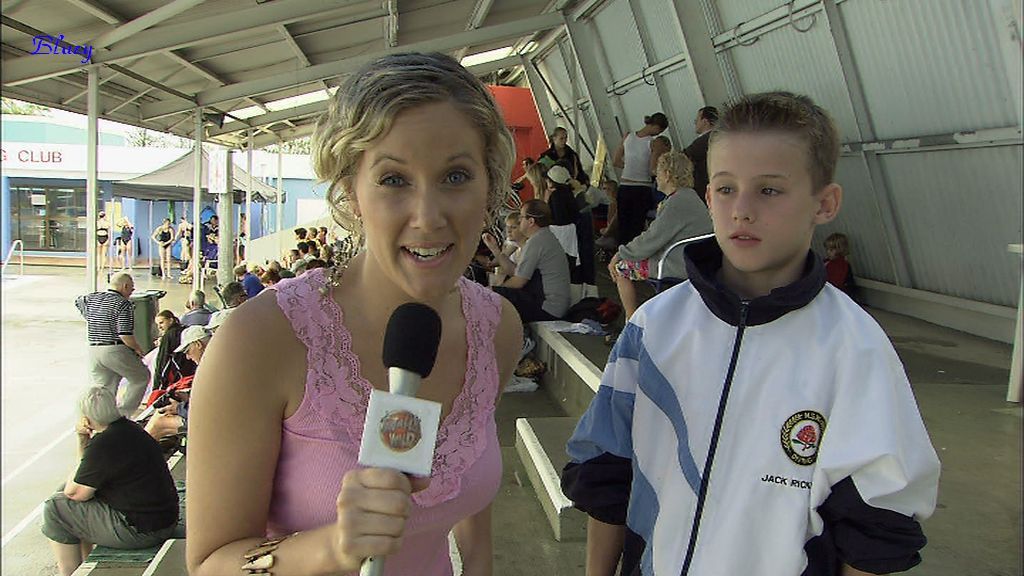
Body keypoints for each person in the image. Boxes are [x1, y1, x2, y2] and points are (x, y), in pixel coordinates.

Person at [561, 92, 941, 576]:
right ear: (708, 198)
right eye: (726, 188)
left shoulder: (856, 350)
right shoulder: (653, 328)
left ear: (825, 203)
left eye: (769, 191)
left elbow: (876, 524)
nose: (741, 210)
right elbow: (606, 476)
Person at [185, 52, 523, 576]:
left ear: (490, 186)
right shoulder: (262, 338)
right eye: (393, 180)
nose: (428, 217)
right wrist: (333, 548)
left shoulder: (497, 329)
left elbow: (472, 503)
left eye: (456, 176)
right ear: (351, 192)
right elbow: (210, 564)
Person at [42, 386, 178, 576]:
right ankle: (82, 566)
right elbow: (80, 482)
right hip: (162, 520)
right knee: (64, 492)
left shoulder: (104, 444)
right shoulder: (131, 429)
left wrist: (82, 439)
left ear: (85, 418)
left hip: (141, 531)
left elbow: (75, 493)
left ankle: (69, 572)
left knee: (55, 507)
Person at [609, 151, 712, 319]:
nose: (655, 176)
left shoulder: (676, 202)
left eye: (658, 171)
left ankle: (631, 321)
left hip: (675, 265)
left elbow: (651, 239)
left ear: (668, 174)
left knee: (621, 268)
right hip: (692, 263)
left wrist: (620, 253)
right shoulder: (689, 197)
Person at [75, 272, 150, 417]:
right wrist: (138, 349)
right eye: (132, 288)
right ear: (125, 286)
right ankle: (123, 414)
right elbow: (125, 334)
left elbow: (78, 301)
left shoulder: (91, 298)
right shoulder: (123, 304)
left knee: (103, 388)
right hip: (114, 349)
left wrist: (92, 318)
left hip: (93, 349)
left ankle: (96, 417)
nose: (132, 292)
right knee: (141, 377)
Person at [491, 200, 572, 322]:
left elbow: (518, 282)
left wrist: (495, 291)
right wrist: (495, 249)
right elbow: (517, 273)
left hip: (548, 308)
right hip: (552, 305)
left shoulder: (536, 241)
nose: (520, 220)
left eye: (522, 217)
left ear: (531, 222)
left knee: (489, 296)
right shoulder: (543, 236)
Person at [611, 112, 668, 247]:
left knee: (623, 224)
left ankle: (621, 253)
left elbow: (616, 161)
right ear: (657, 127)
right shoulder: (653, 143)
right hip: (642, 188)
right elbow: (652, 169)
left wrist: (629, 167)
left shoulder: (628, 136)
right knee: (636, 227)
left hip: (625, 185)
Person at [683, 105, 719, 205]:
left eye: (697, 119)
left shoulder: (706, 139)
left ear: (705, 121)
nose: (695, 123)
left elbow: (685, 156)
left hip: (705, 184)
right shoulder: (720, 136)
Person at [824, 232, 856, 298]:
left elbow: (836, 283)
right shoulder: (826, 262)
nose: (828, 252)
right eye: (827, 249)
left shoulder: (842, 265)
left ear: (840, 250)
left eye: (831, 250)